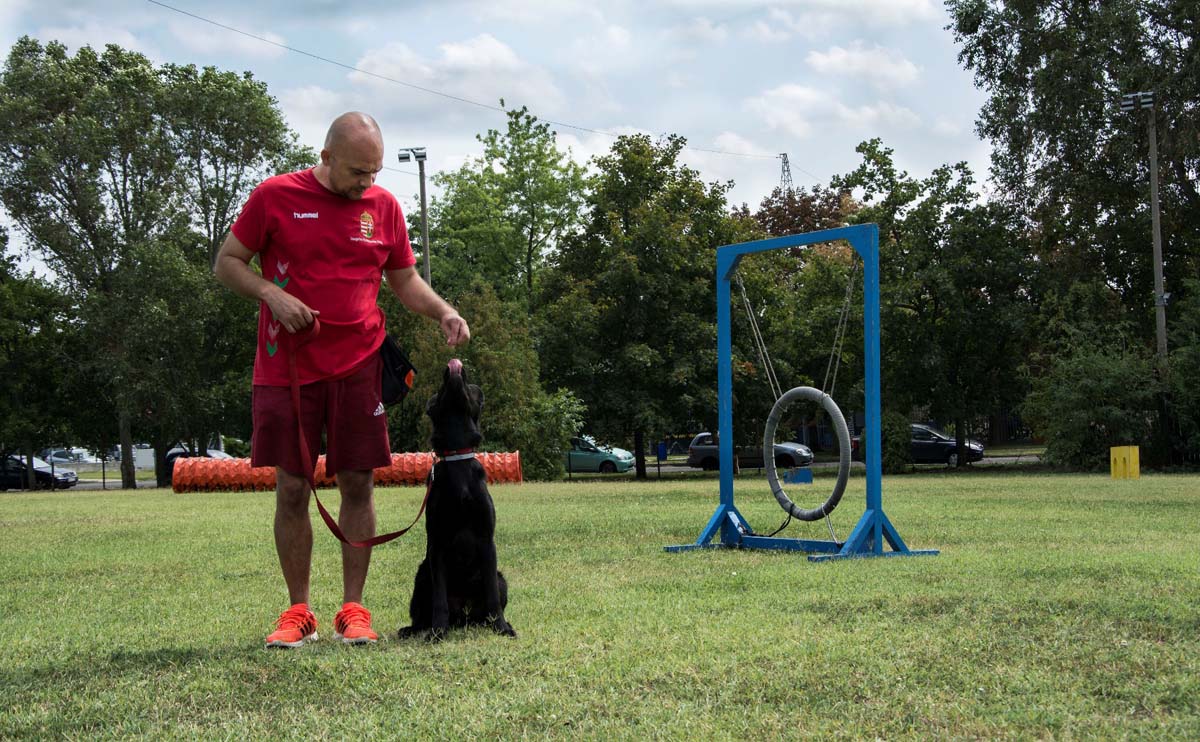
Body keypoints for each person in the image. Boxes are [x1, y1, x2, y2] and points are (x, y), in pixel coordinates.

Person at [214, 112, 469, 647]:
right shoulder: (275, 196)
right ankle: (297, 611)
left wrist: (442, 310)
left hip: (359, 366)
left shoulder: (384, 208)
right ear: (326, 158)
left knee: (359, 482)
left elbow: (403, 280)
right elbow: (228, 262)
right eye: (357, 171)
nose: (366, 183)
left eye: (374, 172)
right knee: (291, 487)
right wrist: (271, 295)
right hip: (287, 368)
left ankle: (354, 610)